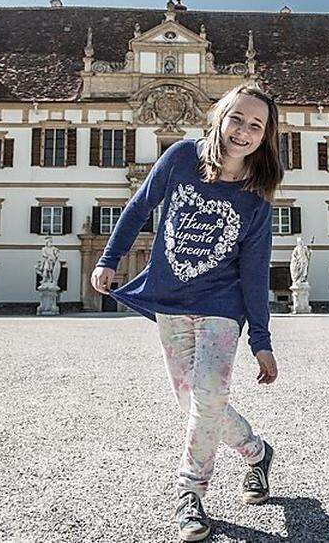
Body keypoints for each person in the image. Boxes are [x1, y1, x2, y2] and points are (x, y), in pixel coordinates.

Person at [91, 83, 284, 541]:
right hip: (171, 301)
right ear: (219, 115)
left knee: (208, 395)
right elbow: (139, 208)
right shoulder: (181, 157)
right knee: (192, 399)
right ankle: (256, 452)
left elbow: (255, 274)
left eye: (256, 125)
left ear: (264, 137)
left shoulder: (257, 199)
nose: (243, 131)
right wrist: (108, 258)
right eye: (237, 118)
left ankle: (190, 493)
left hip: (222, 307)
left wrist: (261, 340)